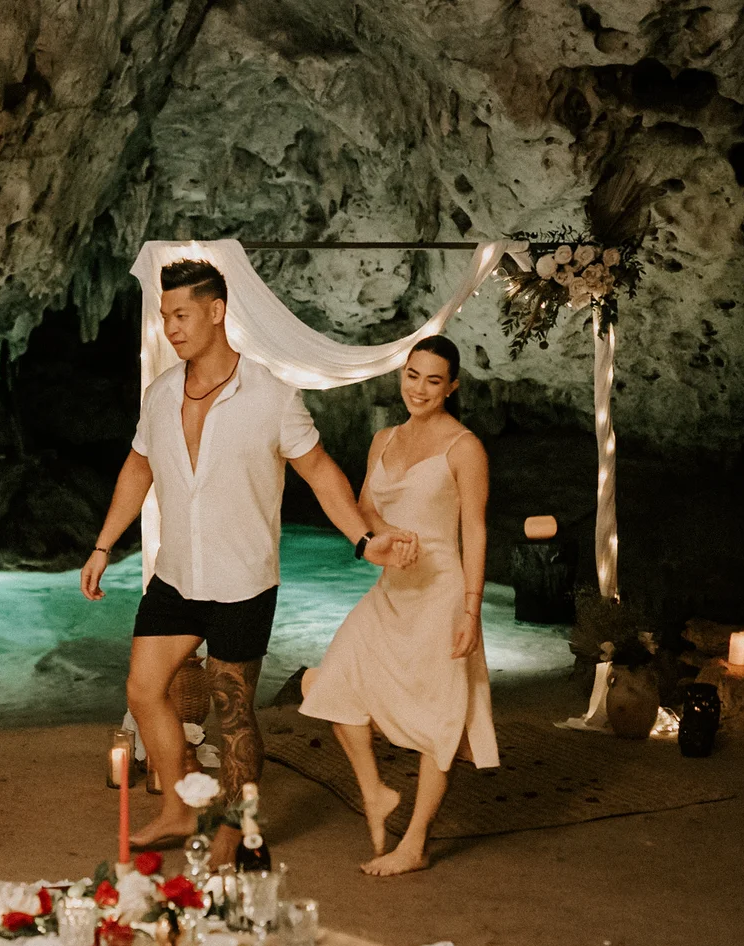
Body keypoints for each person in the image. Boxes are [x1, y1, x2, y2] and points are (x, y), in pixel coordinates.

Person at [80, 259, 417, 850]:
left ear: (216, 312)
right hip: (176, 576)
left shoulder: (271, 395)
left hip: (243, 581)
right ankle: (184, 809)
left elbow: (320, 473)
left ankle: (235, 830)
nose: (171, 328)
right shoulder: (160, 394)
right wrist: (104, 544)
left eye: (181, 314)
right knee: (142, 689)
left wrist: (363, 539)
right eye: (165, 317)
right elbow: (138, 466)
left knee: (232, 711)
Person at [299, 335, 499, 876]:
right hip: (392, 590)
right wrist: (389, 534)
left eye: (434, 380)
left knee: (440, 715)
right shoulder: (383, 439)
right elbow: (364, 509)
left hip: (442, 595)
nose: (420, 388)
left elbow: (475, 531)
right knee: (327, 684)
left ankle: (414, 843)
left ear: (452, 386)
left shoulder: (465, 448)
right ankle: (375, 791)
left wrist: (471, 611)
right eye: (413, 375)